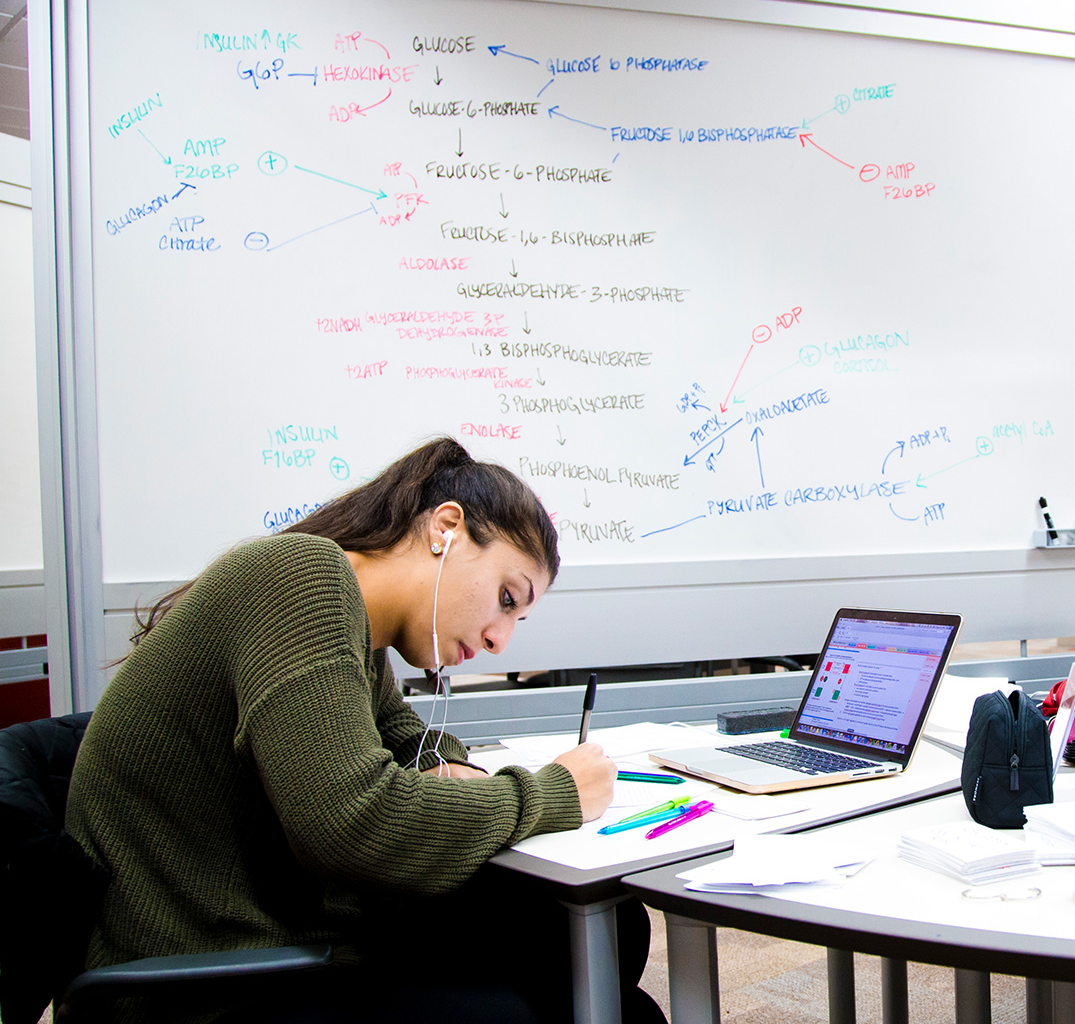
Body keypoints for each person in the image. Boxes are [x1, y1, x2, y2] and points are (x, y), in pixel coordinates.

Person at [65, 438, 659, 1024]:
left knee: (609, 930)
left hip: (284, 927)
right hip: (209, 979)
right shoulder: (300, 580)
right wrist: (552, 794)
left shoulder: (355, 619)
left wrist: (450, 769)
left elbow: (400, 734)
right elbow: (352, 822)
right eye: (506, 598)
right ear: (444, 528)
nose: (498, 640)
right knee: (554, 990)